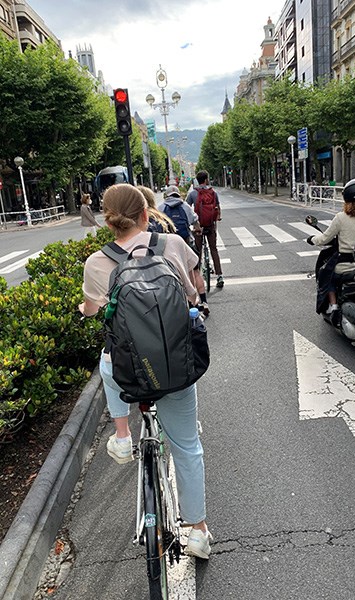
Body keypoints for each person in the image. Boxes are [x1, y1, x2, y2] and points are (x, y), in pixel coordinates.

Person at [78, 183, 212, 558]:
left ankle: (122, 436)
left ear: (108, 221)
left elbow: (92, 310)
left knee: (107, 361)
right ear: (145, 213)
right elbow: (197, 290)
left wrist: (86, 309)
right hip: (174, 367)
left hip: (129, 373)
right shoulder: (172, 245)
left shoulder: (96, 262)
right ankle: (198, 531)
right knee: (187, 447)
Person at [307, 178, 355, 315]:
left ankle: (333, 306)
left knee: (326, 274)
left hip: (346, 266)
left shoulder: (340, 217)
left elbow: (324, 239)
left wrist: (312, 239)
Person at [159, 185, 210, 316]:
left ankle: (181, 305)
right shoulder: (185, 206)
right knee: (195, 271)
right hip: (186, 243)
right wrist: (197, 230)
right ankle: (203, 302)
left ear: (167, 195)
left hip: (168, 247)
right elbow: (195, 220)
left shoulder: (161, 208)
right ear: (177, 194)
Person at [186, 170, 224, 288]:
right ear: (207, 179)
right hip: (210, 225)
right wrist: (217, 218)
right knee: (213, 249)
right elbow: (217, 207)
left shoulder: (193, 194)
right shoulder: (213, 192)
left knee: (198, 251)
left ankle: (198, 276)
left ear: (197, 180)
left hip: (198, 226)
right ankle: (219, 276)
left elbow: (186, 208)